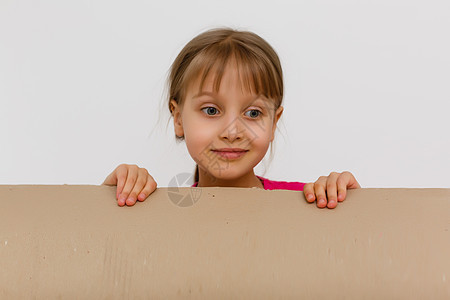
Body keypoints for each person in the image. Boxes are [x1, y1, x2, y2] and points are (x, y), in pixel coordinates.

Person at [103, 28, 361, 209]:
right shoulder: (157, 210)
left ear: (274, 122)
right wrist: (113, 194)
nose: (232, 131)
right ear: (178, 118)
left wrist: (347, 201)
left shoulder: (307, 202)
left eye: (253, 113)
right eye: (211, 110)